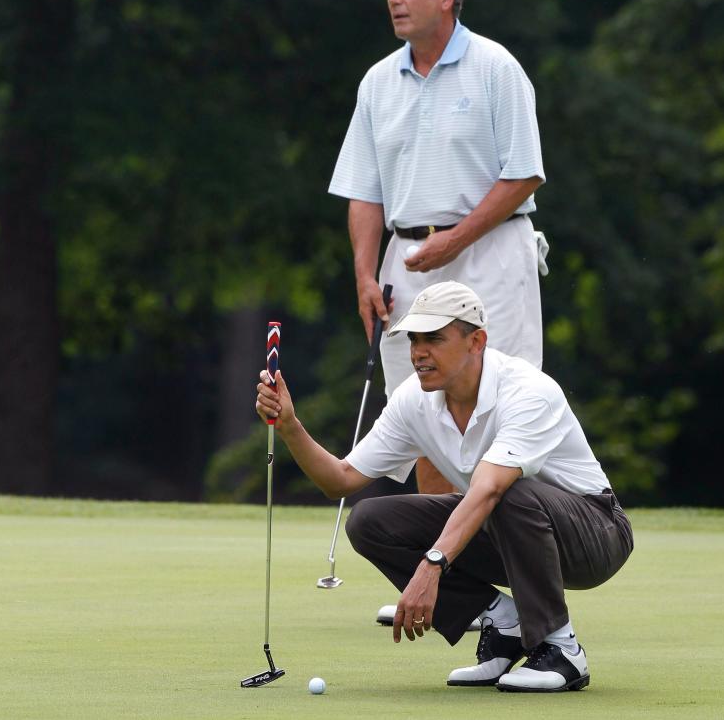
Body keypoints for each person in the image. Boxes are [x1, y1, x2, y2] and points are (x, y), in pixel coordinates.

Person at [255, 282, 633, 692]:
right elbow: (340, 481)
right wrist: (291, 427)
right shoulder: (413, 400)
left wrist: (431, 565)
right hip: (508, 530)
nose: (419, 352)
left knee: (506, 490)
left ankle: (561, 648)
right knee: (369, 521)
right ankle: (503, 624)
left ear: (476, 341)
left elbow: (489, 490)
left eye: (434, 339)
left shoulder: (528, 391)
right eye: (414, 339)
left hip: (596, 535)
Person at [328, 0, 546, 497]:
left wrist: (456, 241)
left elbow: (524, 175)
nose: (393, 1)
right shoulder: (377, 82)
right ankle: (446, 577)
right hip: (407, 264)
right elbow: (364, 193)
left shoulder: (497, 68)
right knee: (423, 411)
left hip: (491, 253)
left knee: (500, 408)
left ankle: (503, 566)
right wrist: (363, 279)